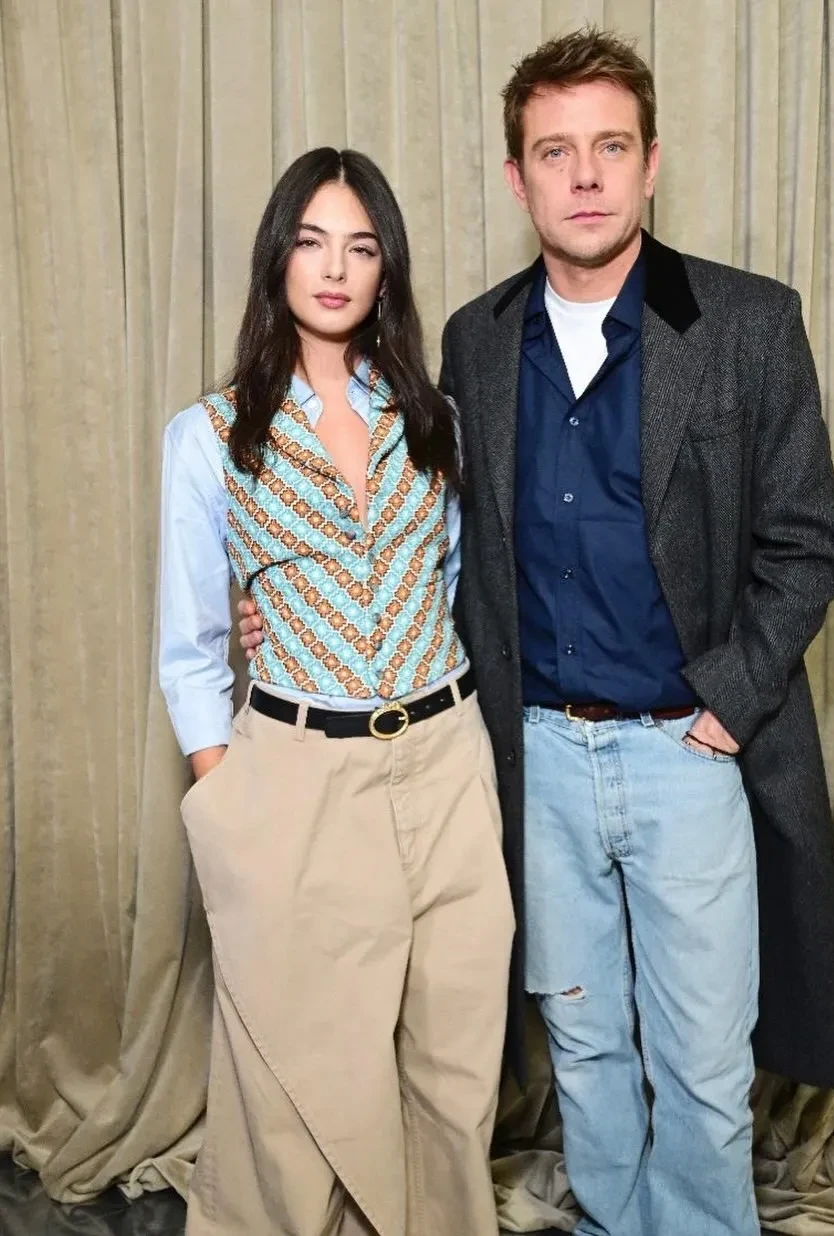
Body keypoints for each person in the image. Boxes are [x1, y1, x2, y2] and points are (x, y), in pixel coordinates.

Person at [240, 28, 834, 1236]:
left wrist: (724, 706)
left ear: (650, 164)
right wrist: (282, 596)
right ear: (515, 176)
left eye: (609, 148)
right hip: (532, 757)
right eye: (553, 152)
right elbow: (424, 535)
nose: (583, 176)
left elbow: (805, 547)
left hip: (688, 753)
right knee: (582, 1045)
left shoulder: (744, 323)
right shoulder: (475, 342)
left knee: (700, 1061)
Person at [159, 146, 513, 1236]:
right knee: (302, 1070)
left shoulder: (434, 418)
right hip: (300, 773)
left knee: (454, 1052)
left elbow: (445, 585)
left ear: (385, 270)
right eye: (310, 242)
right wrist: (229, 796)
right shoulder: (210, 436)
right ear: (277, 259)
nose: (333, 268)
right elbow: (191, 645)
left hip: (445, 760)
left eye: (360, 248)